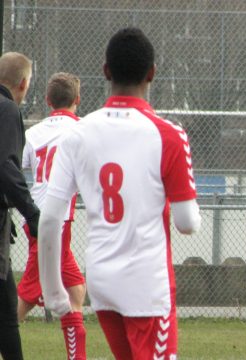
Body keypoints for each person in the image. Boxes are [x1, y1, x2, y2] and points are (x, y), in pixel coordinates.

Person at [38, 27, 201, 360]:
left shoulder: (76, 134)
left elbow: (51, 217)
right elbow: (187, 223)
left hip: (102, 280)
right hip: (147, 285)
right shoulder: (169, 135)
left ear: (106, 71)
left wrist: (55, 292)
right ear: (152, 73)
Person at [18, 72, 87, 360]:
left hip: (35, 217)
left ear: (47, 101)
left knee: (75, 290)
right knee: (28, 295)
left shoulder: (33, 134)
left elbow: (15, 166)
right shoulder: (83, 130)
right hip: (53, 224)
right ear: (78, 100)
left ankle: (76, 356)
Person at [0, 51, 38, 360]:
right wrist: (31, 213)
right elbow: (6, 167)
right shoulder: (7, 110)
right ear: (23, 84)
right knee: (7, 318)